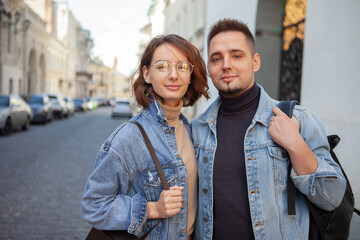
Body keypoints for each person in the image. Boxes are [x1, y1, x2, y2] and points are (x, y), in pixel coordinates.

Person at [190, 19, 346, 240]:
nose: (226, 64)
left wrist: (295, 145)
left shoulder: (297, 119)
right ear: (209, 67)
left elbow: (331, 197)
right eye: (217, 58)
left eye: (236, 55)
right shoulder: (197, 130)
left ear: (255, 62)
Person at [81, 34, 209, 240]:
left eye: (182, 66)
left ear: (191, 75)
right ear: (147, 74)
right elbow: (93, 205)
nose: (173, 75)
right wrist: (152, 209)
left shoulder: (192, 130)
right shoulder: (130, 137)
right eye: (162, 66)